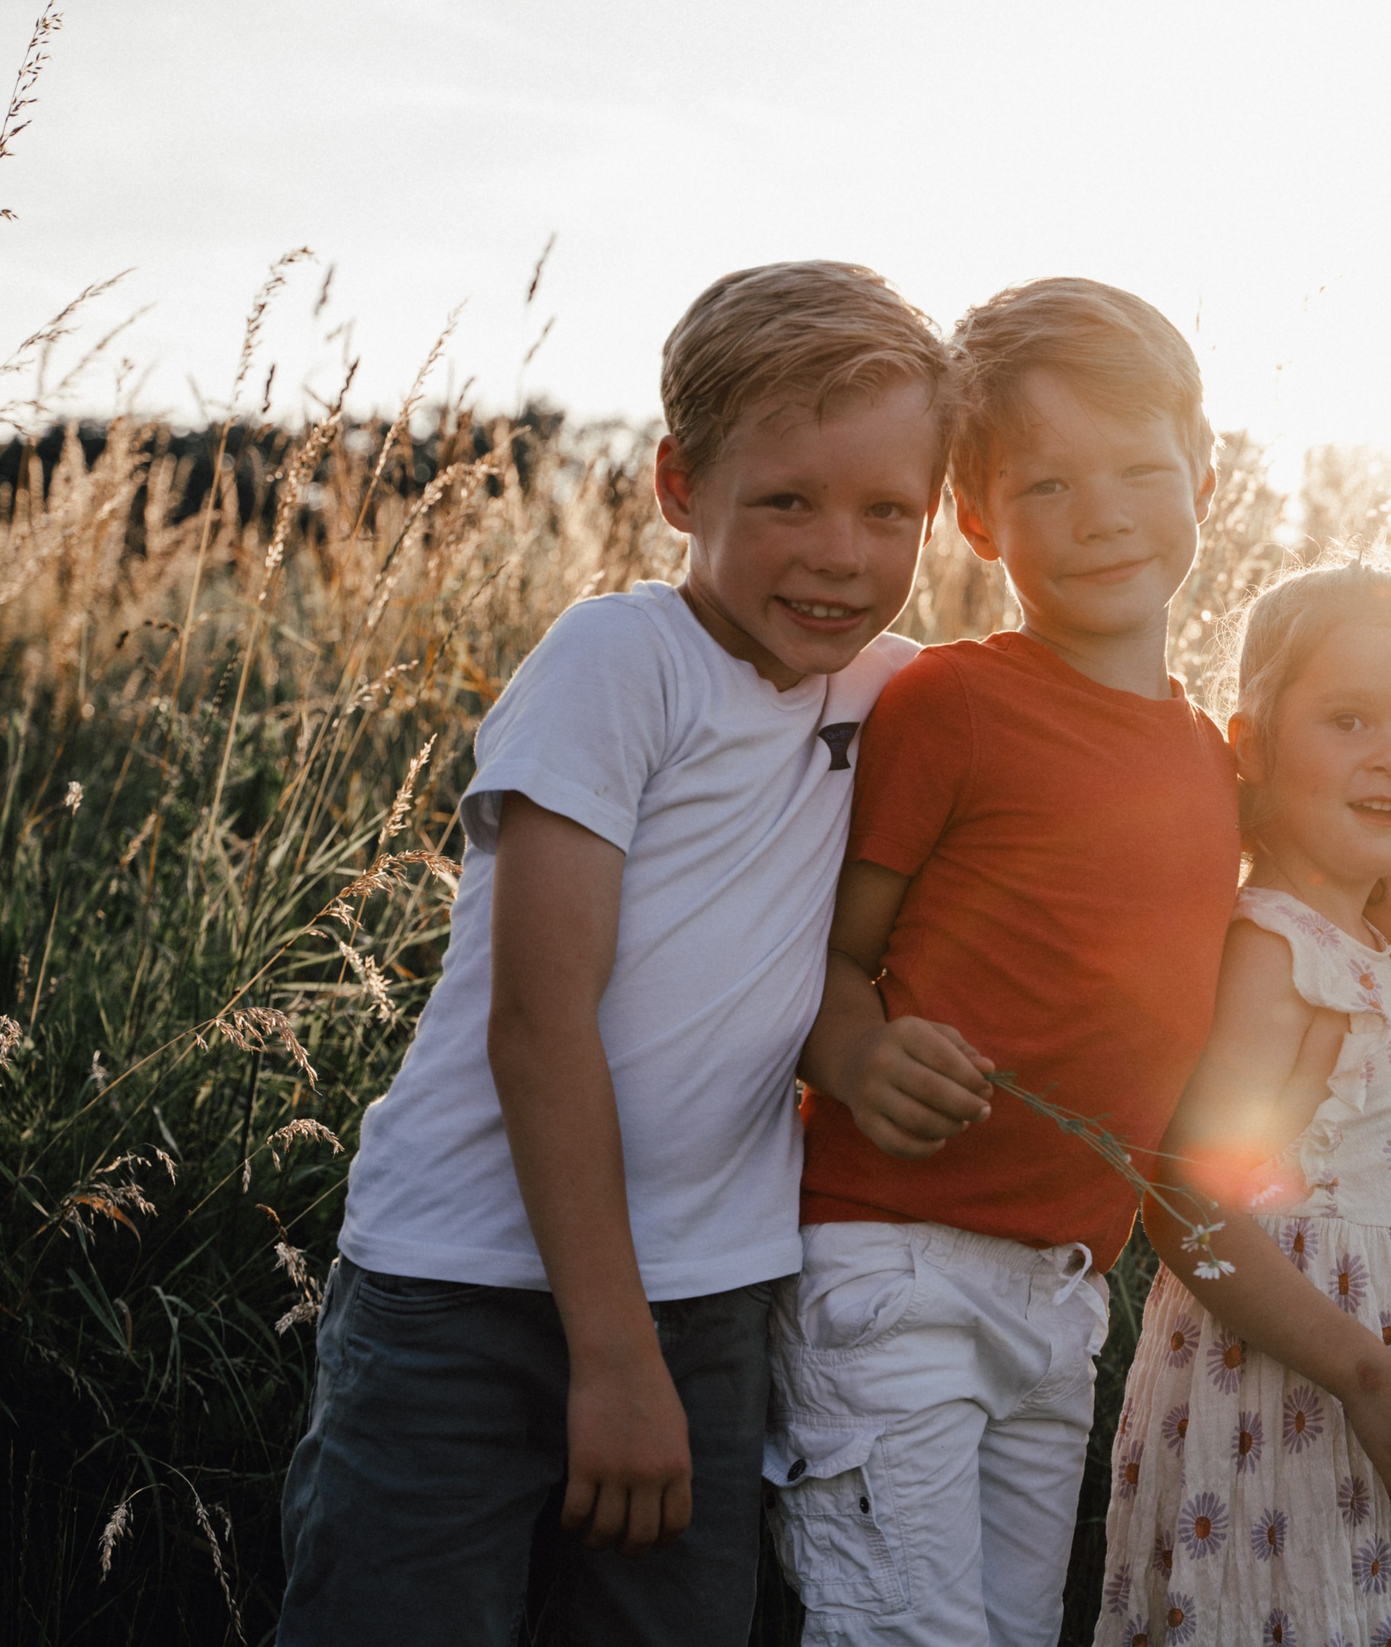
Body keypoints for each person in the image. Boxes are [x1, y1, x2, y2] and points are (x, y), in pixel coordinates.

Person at [276, 261, 948, 1647]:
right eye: (787, 500)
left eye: (890, 511)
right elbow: (539, 1020)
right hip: (467, 1283)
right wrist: (613, 1347)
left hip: (710, 1290)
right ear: (679, 485)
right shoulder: (617, 663)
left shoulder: (899, 692)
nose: (841, 552)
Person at [771, 278, 1244, 1647]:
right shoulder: (953, 705)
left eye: (1141, 469)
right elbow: (825, 956)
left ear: (1204, 474)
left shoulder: (1214, 758)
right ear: (975, 517)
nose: (1101, 513)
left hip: (1064, 1285)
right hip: (890, 1260)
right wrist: (856, 1050)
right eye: (1047, 483)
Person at [1100, 555, 1391, 1647]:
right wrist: (1367, 1376)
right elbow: (1187, 1203)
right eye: (1348, 719)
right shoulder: (1276, 958)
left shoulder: (1366, 935)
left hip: (1380, 1380)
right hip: (1291, 1394)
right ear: (1253, 744)